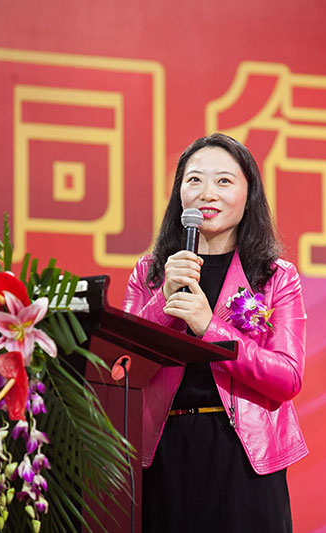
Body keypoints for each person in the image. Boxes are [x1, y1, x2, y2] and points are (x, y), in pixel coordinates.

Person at [123, 133, 307, 532]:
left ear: (248, 194)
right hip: (164, 451)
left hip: (244, 457)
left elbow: (288, 377)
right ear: (179, 194)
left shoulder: (275, 277)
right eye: (195, 180)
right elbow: (122, 367)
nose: (208, 193)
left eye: (224, 181)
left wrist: (211, 328)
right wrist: (163, 299)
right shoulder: (150, 272)